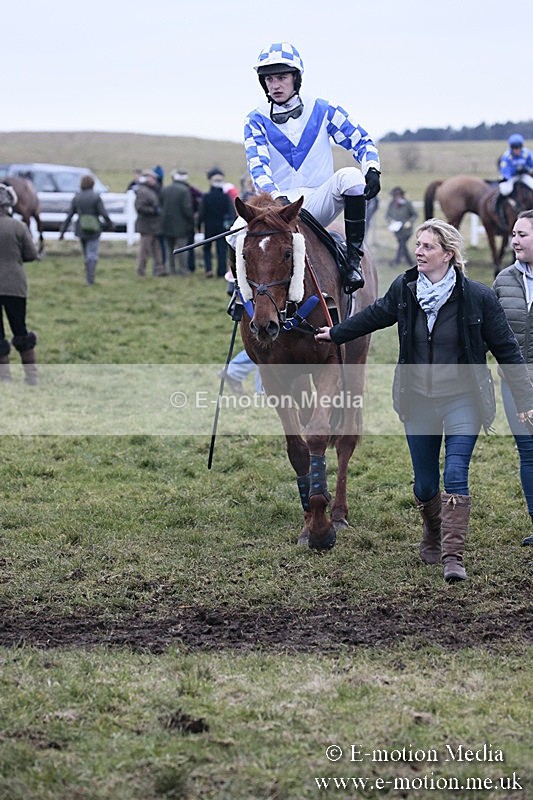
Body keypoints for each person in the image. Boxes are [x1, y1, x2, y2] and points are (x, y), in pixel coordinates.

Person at [315, 218, 533, 583]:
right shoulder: (406, 288)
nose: (419, 251)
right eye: (418, 244)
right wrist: (336, 333)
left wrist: (525, 398)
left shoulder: (477, 297)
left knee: (455, 472)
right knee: (425, 485)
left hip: (464, 400)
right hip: (418, 401)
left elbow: (508, 350)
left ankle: (453, 556)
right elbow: (376, 315)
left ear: (448, 255)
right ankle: (432, 529)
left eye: (428, 246)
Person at [242, 41, 381, 293]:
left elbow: (361, 139)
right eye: (269, 79)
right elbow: (258, 166)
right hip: (277, 208)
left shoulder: (324, 109)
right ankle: (240, 294)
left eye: (282, 77)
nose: (275, 85)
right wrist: (276, 198)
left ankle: (352, 261)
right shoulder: (255, 119)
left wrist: (372, 167)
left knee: (351, 177)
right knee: (234, 232)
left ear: (296, 78)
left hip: (317, 202)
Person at [493, 209, 533, 546]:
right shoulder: (503, 279)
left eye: (523, 235)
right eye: (514, 235)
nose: (515, 240)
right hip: (513, 382)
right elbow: (490, 331)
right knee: (529, 450)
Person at [0, 183, 39, 385]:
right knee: (20, 329)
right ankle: (31, 377)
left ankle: (4, 378)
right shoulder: (18, 227)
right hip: (15, 285)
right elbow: (31, 254)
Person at [58, 175, 114, 285]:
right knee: (92, 254)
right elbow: (103, 213)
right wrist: (110, 225)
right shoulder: (96, 197)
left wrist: (62, 232)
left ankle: (88, 275)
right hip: (94, 229)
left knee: (86, 254)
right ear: (92, 184)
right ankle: (90, 278)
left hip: (81, 229)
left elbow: (69, 215)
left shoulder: (77, 197)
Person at [198, 168, 235, 278]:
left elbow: (201, 213)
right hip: (222, 228)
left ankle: (208, 269)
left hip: (209, 227)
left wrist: (199, 226)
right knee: (221, 250)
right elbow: (231, 212)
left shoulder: (206, 197)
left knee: (207, 249)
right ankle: (221, 271)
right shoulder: (226, 197)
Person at [160, 169, 195, 275]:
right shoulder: (184, 191)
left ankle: (171, 270)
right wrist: (192, 222)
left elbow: (160, 205)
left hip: (166, 224)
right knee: (182, 249)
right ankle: (183, 270)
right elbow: (187, 209)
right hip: (182, 225)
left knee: (169, 249)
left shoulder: (165, 189)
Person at [134, 170, 165, 277]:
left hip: (154, 226)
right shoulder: (143, 191)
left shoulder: (151, 191)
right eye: (152, 178)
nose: (155, 180)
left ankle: (159, 269)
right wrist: (154, 210)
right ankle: (140, 271)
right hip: (147, 226)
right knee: (144, 250)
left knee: (157, 249)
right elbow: (139, 208)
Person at [385, 186, 417, 268]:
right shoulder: (391, 204)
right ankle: (410, 263)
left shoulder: (408, 204)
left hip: (406, 230)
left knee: (402, 244)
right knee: (403, 246)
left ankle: (396, 262)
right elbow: (387, 216)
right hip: (397, 230)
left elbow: (414, 215)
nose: (397, 198)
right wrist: (390, 221)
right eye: (395, 196)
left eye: (398, 195)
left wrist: (409, 222)